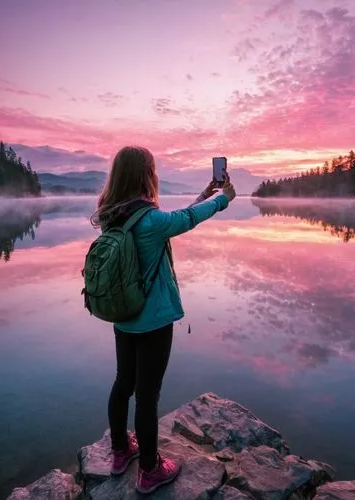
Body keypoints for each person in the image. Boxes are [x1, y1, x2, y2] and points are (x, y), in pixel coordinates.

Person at [90, 146, 236, 494]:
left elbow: (173, 218)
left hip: (123, 315)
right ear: (146, 174)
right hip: (153, 320)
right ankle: (151, 470)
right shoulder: (150, 220)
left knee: (123, 383)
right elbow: (184, 221)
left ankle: (121, 452)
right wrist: (223, 198)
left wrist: (204, 193)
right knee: (148, 394)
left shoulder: (113, 214)